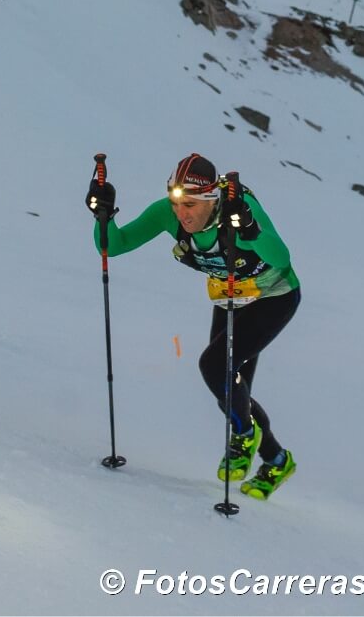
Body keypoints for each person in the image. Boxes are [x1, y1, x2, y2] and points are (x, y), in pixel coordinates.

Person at [88, 152, 301, 499]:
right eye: (176, 204)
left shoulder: (238, 208)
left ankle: (245, 437)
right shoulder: (167, 214)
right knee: (229, 388)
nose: (181, 214)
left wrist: (249, 228)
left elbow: (281, 258)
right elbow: (113, 246)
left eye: (189, 205)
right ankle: (276, 460)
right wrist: (103, 216)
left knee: (215, 368)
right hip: (229, 297)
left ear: (211, 199)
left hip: (273, 298)